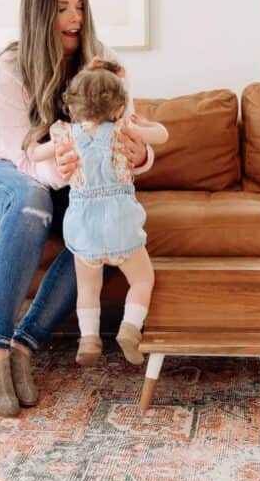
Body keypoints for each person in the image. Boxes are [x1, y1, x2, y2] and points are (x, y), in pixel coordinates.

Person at [0, 0, 154, 417]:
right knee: (33, 202)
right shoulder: (7, 72)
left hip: (65, 176)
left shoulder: (99, 62)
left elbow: (131, 141)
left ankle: (25, 345)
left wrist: (139, 153)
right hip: (0, 170)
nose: (75, 19)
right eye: (62, 9)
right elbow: (24, 159)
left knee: (109, 232)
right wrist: (67, 165)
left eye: (81, 7)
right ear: (39, 14)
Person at [26, 61, 168, 367]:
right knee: (143, 279)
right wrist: (142, 124)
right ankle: (130, 328)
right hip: (121, 226)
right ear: (118, 108)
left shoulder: (65, 135)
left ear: (73, 107)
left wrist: (31, 150)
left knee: (88, 288)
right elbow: (162, 135)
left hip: (84, 227)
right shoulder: (122, 129)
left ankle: (88, 339)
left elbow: (35, 154)